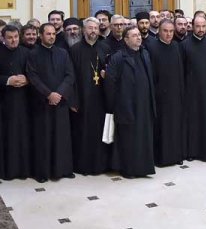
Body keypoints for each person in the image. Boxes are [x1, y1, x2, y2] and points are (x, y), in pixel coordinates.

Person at [25, 23, 74, 182]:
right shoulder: (33, 54)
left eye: (53, 34)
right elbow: (32, 77)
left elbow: (70, 75)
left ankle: (64, 170)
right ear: (41, 35)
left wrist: (59, 93)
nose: (52, 36)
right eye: (48, 34)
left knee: (62, 137)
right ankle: (43, 172)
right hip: (42, 103)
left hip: (60, 102)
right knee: (43, 138)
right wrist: (49, 94)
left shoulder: (63, 53)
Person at [106, 27, 155, 178]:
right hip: (126, 105)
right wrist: (115, 105)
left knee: (143, 137)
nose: (139, 38)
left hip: (144, 105)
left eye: (139, 35)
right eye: (134, 36)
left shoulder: (145, 53)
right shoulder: (118, 57)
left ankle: (143, 168)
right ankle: (128, 169)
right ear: (126, 40)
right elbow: (110, 83)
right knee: (129, 139)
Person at [67, 18, 110, 175]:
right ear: (84, 30)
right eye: (90, 28)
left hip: (101, 98)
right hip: (83, 98)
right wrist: (73, 100)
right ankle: (83, 166)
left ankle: (102, 165)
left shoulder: (105, 47)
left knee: (100, 131)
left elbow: (111, 70)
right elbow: (70, 77)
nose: (93, 31)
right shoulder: (75, 50)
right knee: (83, 132)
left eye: (96, 28)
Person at [144, 21, 185, 166]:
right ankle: (161, 158)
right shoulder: (151, 47)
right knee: (161, 127)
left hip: (175, 94)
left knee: (175, 126)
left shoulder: (176, 46)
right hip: (159, 95)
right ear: (159, 31)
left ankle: (176, 155)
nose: (168, 34)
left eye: (171, 31)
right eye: (165, 31)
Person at [181, 16, 206, 160]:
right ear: (193, 26)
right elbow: (182, 69)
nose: (201, 29)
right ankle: (192, 152)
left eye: (203, 26)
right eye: (198, 26)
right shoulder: (184, 44)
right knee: (193, 121)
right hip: (191, 90)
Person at [0, 25, 30, 180]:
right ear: (3, 38)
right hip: (4, 103)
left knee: (23, 136)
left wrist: (28, 79)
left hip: (23, 103)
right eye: (10, 38)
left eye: (16, 37)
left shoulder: (26, 52)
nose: (14, 40)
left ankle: (23, 170)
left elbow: (35, 73)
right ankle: (6, 171)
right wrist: (7, 80)